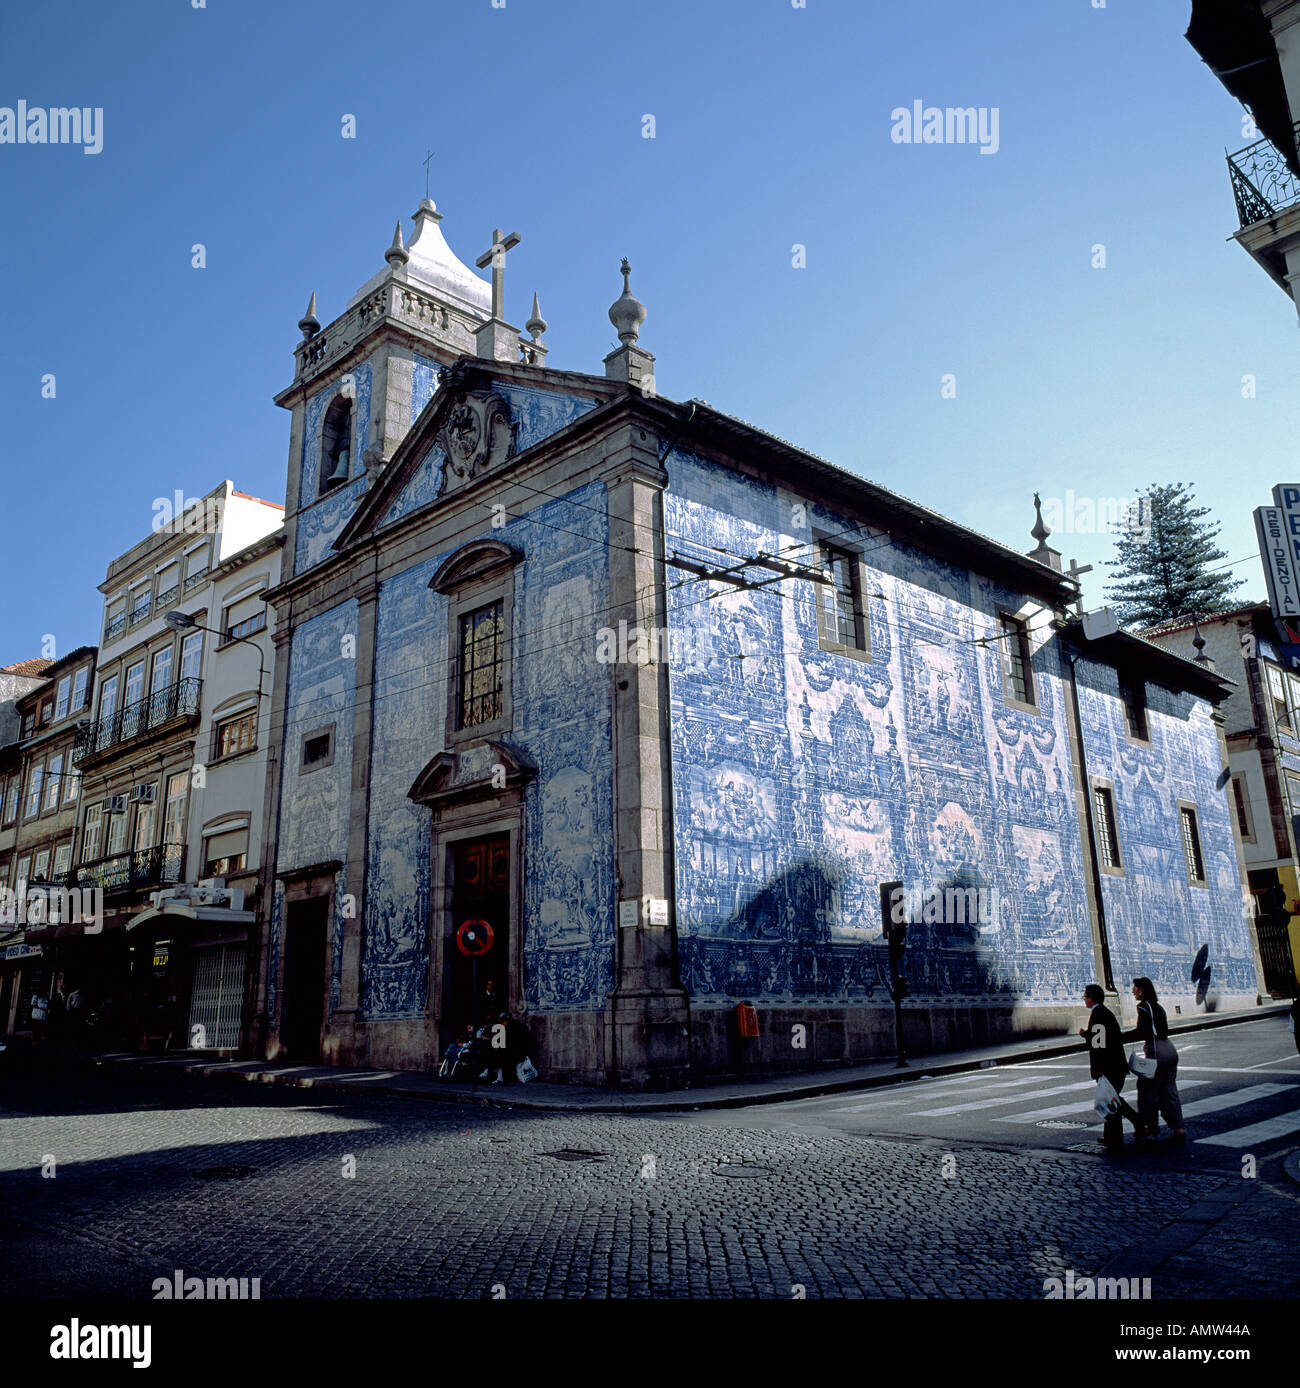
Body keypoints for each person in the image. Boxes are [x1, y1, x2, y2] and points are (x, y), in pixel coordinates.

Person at [1123, 976, 1186, 1145]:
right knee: (1169, 1090)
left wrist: (1121, 1036)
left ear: (1141, 990)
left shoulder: (1144, 1007)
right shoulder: (1158, 1007)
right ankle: (1178, 1128)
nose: (1132, 991)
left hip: (1156, 1050)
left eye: (1134, 988)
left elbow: (1143, 1032)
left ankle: (1150, 1126)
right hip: (1169, 1049)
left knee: (1146, 1089)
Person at [1079, 984, 1141, 1150]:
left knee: (1110, 1100)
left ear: (1091, 998)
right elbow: (1101, 1038)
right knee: (1111, 1099)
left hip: (1109, 1067)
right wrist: (1088, 1035)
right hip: (1115, 1065)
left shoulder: (1098, 1015)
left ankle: (1130, 1127)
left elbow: (1099, 1044)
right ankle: (1115, 1135)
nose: (1084, 999)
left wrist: (1100, 1068)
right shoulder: (1103, 1013)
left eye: (1085, 996)